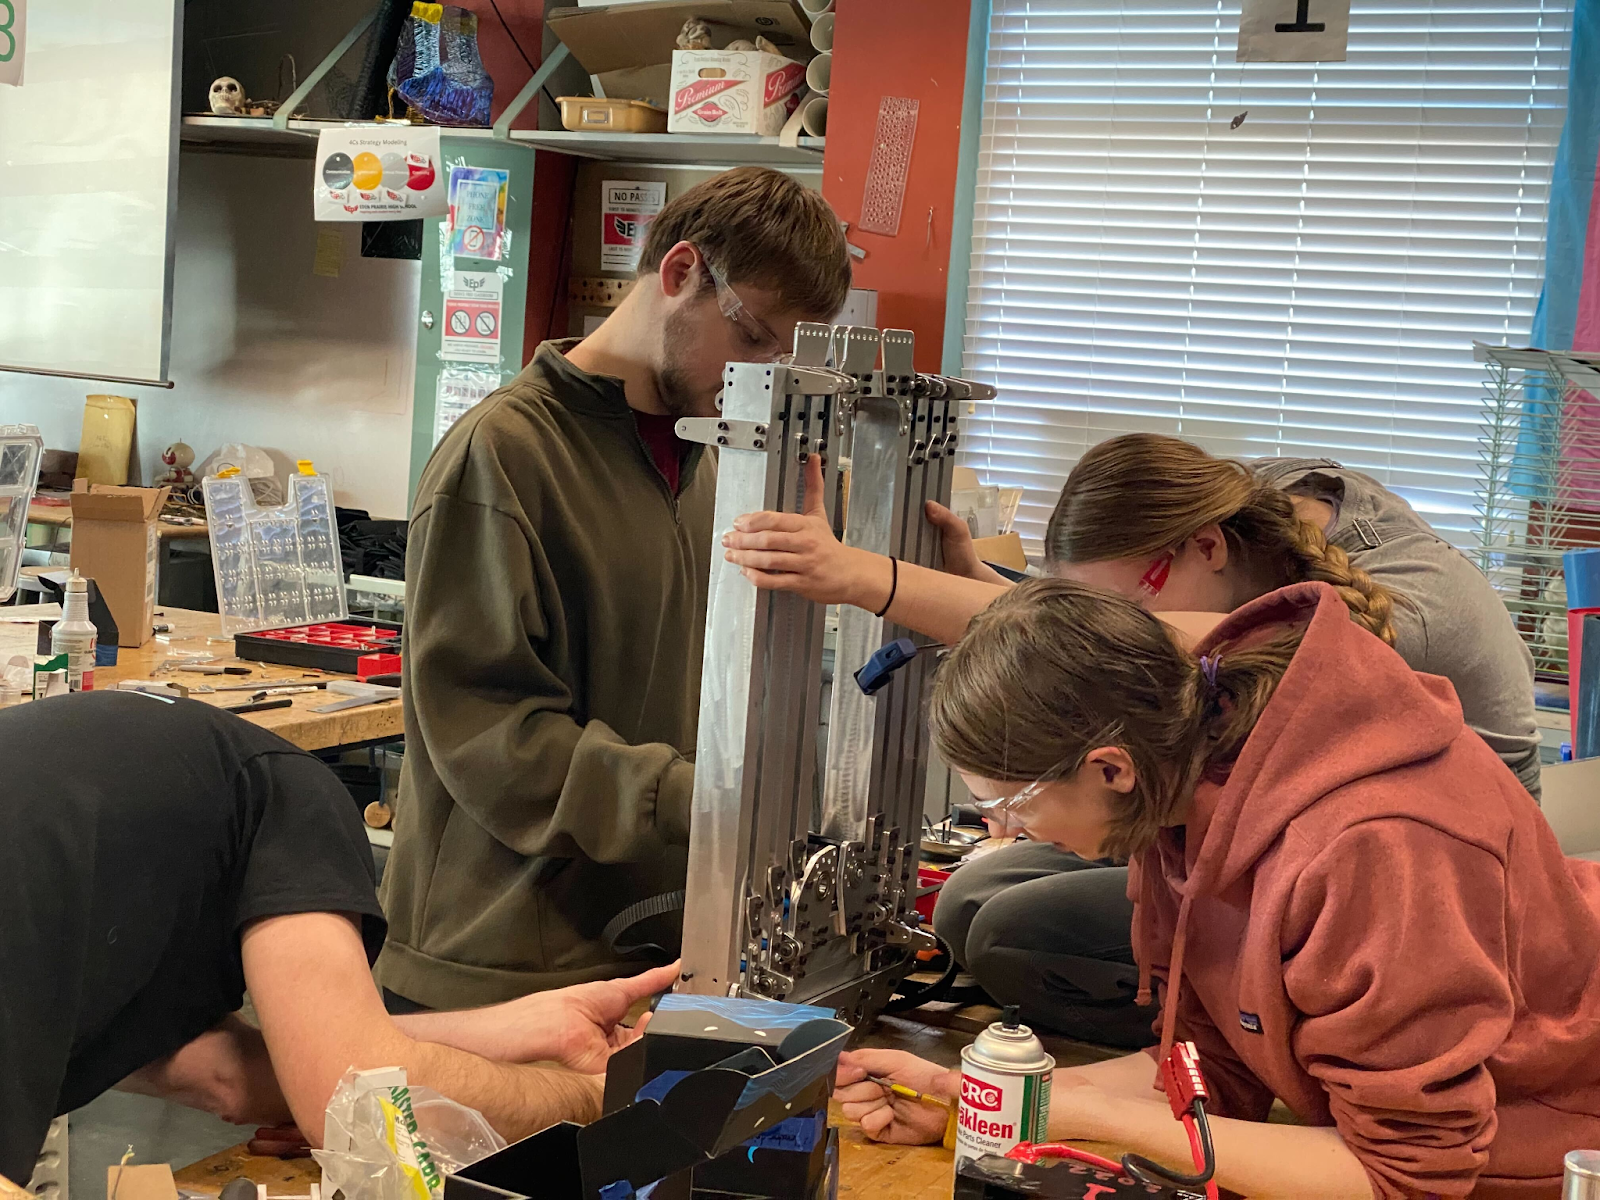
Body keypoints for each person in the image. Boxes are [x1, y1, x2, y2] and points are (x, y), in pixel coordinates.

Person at [720, 433, 1539, 1044]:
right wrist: (989, 588)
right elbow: (1112, 635)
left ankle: (1255, 1051)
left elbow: (1144, 645)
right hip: (1253, 824)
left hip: (1430, 909)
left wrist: (865, 578)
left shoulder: (1395, 610)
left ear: (1204, 550)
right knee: (971, 898)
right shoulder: (1257, 514)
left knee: (1011, 933)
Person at [834, 578, 1600, 1200]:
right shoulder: (1182, 780)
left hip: (1551, 1135)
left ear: (1109, 768)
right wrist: (979, 1094)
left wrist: (1081, 1110)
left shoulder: (1377, 847)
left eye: (1016, 803)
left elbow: (1408, 1176)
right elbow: (1218, 1071)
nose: (1013, 831)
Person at [377, 168, 851, 1012]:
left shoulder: (710, 468)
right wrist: (689, 793)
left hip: (651, 951)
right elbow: (486, 731)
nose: (761, 376)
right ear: (679, 274)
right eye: (753, 338)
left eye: (783, 357)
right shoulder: (505, 455)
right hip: (498, 968)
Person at [0, 692, 679, 1185]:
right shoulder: (289, 793)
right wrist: (600, 1094)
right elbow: (354, 1103)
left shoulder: (143, 810)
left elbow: (227, 1076)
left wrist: (524, 1032)